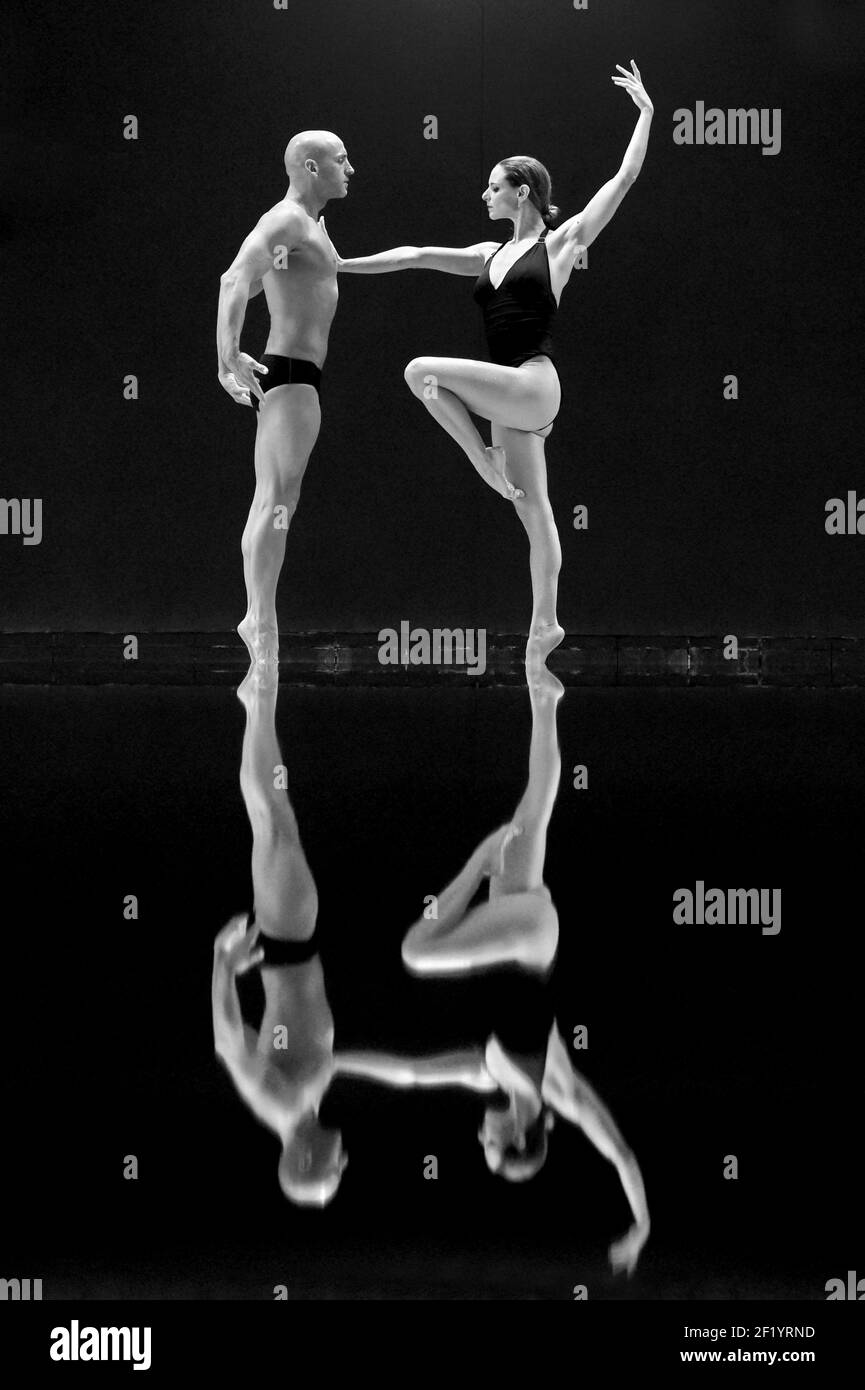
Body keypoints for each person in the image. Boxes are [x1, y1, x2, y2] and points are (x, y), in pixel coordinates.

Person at [336, 667, 651, 1275]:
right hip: (529, 941)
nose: (478, 1137)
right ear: (519, 1134)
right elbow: (624, 1157)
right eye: (489, 1144)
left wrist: (334, 1063)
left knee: (537, 799)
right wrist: (640, 1228)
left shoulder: (487, 1076)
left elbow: (408, 1076)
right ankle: (480, 859)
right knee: (416, 953)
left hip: (524, 931)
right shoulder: (558, 1090)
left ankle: (545, 683)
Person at [338, 61, 653, 664]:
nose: (485, 194)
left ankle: (482, 459)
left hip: (533, 384)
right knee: (535, 513)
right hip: (509, 395)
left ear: (522, 191)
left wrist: (645, 114)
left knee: (419, 371)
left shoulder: (558, 244)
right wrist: (344, 265)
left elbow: (625, 176)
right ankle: (545, 628)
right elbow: (417, 254)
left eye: (493, 186)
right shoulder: (489, 252)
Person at [217, 131, 355, 667]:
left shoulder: (309, 228)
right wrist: (227, 355)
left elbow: (254, 284)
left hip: (296, 377)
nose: (352, 168)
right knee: (275, 498)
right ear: (312, 168)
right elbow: (234, 276)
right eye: (342, 160)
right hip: (290, 376)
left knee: (278, 499)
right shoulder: (290, 219)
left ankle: (259, 617)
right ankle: (259, 619)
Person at [211, 665, 347, 1205]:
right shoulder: (296, 1108)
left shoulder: (284, 1107)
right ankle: (257, 692)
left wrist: (221, 964)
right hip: (290, 940)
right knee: (270, 815)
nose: (345, 1160)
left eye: (335, 1171)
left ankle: (259, 687)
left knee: (271, 813)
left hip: (286, 937)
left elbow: (229, 1045)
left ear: (308, 1160)